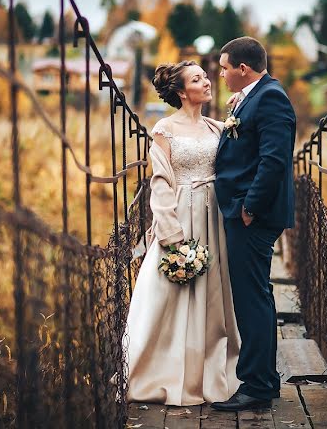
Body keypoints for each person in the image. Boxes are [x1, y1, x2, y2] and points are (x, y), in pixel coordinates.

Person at [125, 60, 241, 406]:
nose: (207, 82)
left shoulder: (217, 127)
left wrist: (242, 110)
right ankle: (163, 371)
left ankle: (210, 369)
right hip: (181, 213)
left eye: (206, 77)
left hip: (215, 217)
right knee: (171, 294)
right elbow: (159, 181)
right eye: (197, 79)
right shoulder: (164, 129)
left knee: (214, 294)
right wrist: (171, 234)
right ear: (180, 91)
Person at [211, 36, 297, 412]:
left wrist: (250, 207)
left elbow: (274, 159)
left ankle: (257, 386)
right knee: (254, 296)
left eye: (225, 68)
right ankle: (264, 379)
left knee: (251, 299)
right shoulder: (258, 95)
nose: (222, 75)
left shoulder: (272, 97)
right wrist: (241, 106)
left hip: (252, 216)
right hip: (247, 213)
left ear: (242, 69)